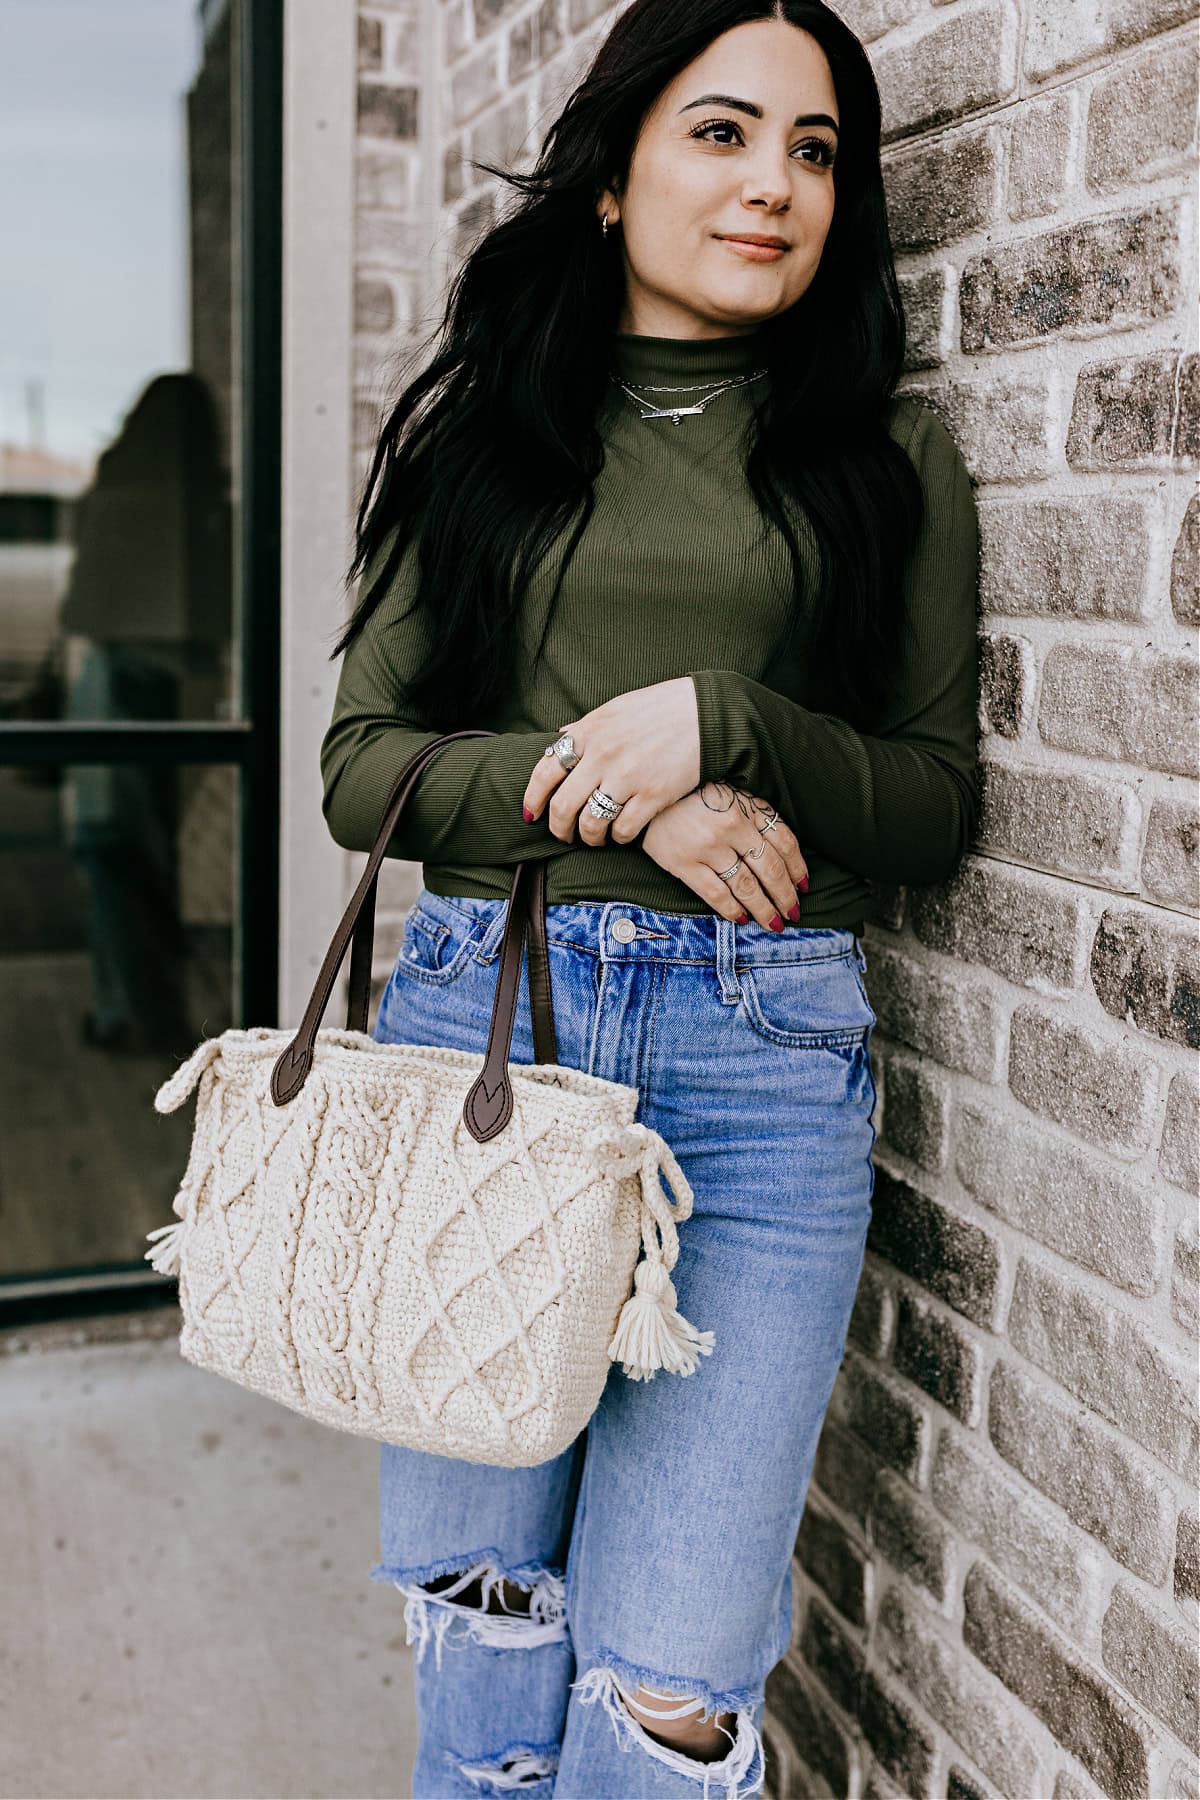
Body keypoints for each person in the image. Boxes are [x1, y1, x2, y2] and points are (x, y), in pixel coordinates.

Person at [319, 2, 980, 1794]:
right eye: (724, 133)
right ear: (614, 176)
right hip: (485, 1047)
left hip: (763, 1082)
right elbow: (360, 768)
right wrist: (629, 802)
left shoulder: (888, 467)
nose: (777, 185)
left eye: (817, 150)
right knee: (485, 1601)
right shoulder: (481, 444)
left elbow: (928, 805)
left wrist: (733, 728)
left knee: (675, 1689)